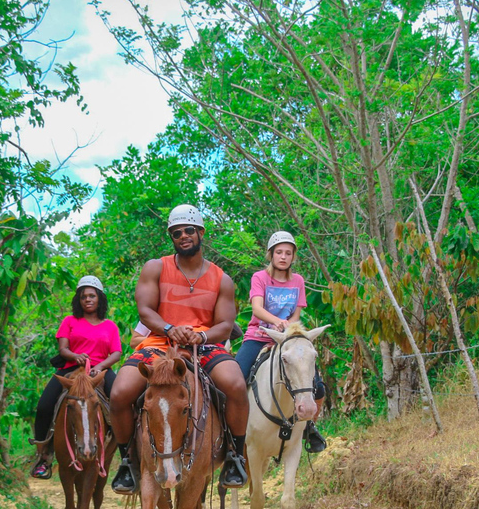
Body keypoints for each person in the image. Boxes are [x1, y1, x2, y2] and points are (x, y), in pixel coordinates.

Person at [109, 204, 250, 494]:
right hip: (159, 343)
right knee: (120, 393)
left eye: (188, 230)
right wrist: (170, 329)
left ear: (200, 232)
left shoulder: (222, 279)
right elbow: (145, 310)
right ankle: (127, 462)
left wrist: (200, 335)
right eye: (176, 233)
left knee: (236, 385)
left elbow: (225, 324)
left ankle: (236, 456)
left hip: (204, 345)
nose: (183, 236)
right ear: (171, 237)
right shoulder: (156, 267)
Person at [234, 231, 327, 453]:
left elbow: (296, 315)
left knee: (318, 386)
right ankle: (233, 433)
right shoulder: (260, 278)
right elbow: (257, 308)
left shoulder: (298, 281)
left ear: (293, 256)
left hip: (289, 339)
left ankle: (309, 427)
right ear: (271, 255)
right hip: (258, 336)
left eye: (288, 253)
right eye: (279, 252)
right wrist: (277, 322)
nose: (283, 257)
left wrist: (287, 328)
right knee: (236, 379)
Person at [30, 275, 123, 479]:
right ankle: (43, 457)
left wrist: (100, 367)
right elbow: (63, 349)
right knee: (45, 405)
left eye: (91, 296)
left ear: (99, 298)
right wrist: (76, 356)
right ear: (78, 300)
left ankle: (127, 460)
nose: (87, 300)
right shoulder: (70, 321)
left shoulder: (110, 326)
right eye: (83, 297)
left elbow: (116, 353)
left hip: (99, 371)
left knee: (122, 403)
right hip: (71, 369)